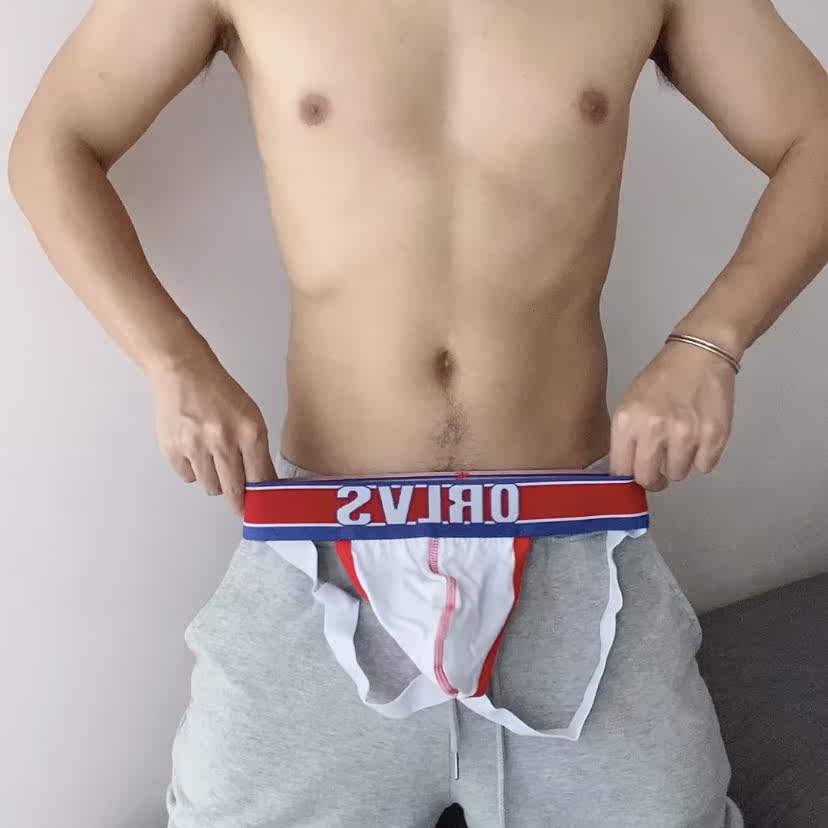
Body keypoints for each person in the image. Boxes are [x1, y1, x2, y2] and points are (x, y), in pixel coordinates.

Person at [9, 0, 827, 826]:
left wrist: (710, 344)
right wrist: (173, 361)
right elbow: (54, 143)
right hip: (323, 549)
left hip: (573, 549)